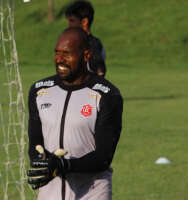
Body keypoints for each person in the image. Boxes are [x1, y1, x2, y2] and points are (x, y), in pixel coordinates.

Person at [26, 28, 123, 200]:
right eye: (57, 52)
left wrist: (64, 165)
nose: (59, 59)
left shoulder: (107, 95)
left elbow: (103, 156)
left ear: (86, 56)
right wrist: (41, 163)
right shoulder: (39, 91)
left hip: (92, 192)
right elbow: (35, 141)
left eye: (67, 53)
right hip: (50, 192)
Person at [65, 0, 106, 77]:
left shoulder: (92, 45)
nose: (68, 25)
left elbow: (99, 72)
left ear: (84, 22)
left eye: (72, 21)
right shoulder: (76, 42)